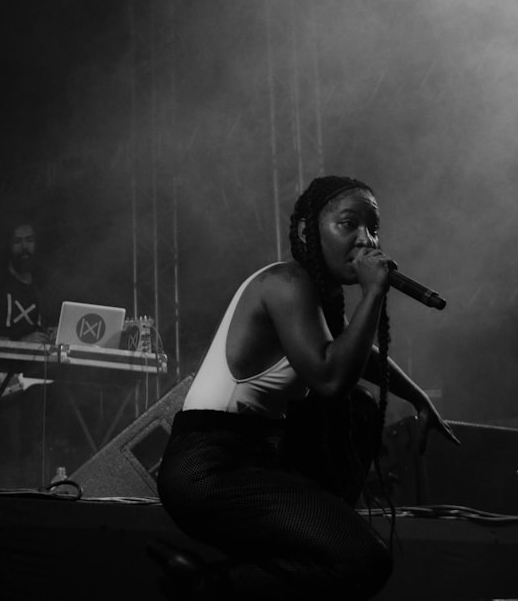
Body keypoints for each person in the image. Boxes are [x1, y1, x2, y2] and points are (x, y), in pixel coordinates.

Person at [150, 175, 460, 600]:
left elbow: (360, 353)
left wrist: (416, 396)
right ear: (306, 230)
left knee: (361, 407)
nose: (366, 239)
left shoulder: (315, 296)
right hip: (211, 467)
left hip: (255, 457)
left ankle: (217, 579)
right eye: (348, 223)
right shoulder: (286, 283)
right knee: (364, 560)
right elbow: (330, 377)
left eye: (373, 227)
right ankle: (202, 585)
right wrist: (372, 293)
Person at [0, 219, 63, 489]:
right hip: (1, 379)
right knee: (7, 446)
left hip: (34, 381)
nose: (25, 247)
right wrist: (20, 341)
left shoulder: (42, 289)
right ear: (8, 246)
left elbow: (40, 329)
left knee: (36, 444)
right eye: (18, 241)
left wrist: (52, 335)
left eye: (29, 240)